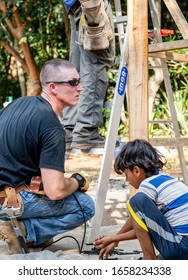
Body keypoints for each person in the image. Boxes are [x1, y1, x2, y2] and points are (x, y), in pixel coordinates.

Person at [0, 58, 95, 254]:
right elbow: (56, 191)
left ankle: (21, 226)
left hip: (6, 193)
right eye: (73, 82)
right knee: (86, 205)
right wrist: (77, 180)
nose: (80, 88)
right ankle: (27, 232)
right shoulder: (52, 128)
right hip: (9, 202)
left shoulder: (18, 104)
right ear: (53, 87)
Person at [94, 139, 188, 260]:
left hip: (182, 248)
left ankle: (149, 259)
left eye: (126, 174)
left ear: (137, 171)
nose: (126, 180)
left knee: (136, 201)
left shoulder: (147, 185)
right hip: (183, 245)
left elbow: (142, 229)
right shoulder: (165, 179)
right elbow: (140, 223)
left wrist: (113, 239)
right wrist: (116, 239)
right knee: (138, 206)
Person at [62, 0, 115, 150]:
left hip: (75, 6)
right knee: (96, 63)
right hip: (90, 4)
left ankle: (70, 130)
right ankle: (86, 131)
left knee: (78, 70)